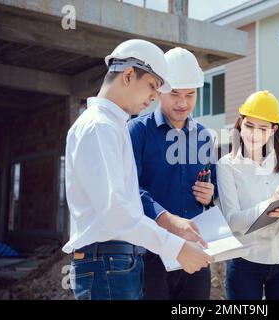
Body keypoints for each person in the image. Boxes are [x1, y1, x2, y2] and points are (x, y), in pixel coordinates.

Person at [63, 39, 212, 300]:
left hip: (116, 259)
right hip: (108, 260)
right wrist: (176, 246)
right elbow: (116, 212)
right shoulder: (101, 127)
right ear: (129, 75)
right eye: (153, 86)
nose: (155, 96)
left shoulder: (112, 126)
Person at [128, 47, 217, 300]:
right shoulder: (137, 132)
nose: (182, 103)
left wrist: (210, 194)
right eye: (175, 94)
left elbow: (215, 189)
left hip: (195, 251)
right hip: (151, 254)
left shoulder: (204, 137)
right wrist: (166, 219)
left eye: (190, 95)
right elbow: (130, 189)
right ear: (158, 92)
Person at [216, 90, 279, 300]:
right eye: (249, 125)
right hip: (246, 262)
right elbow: (232, 221)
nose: (254, 134)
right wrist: (270, 203)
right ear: (240, 123)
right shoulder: (227, 165)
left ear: (273, 130)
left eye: (262, 128)